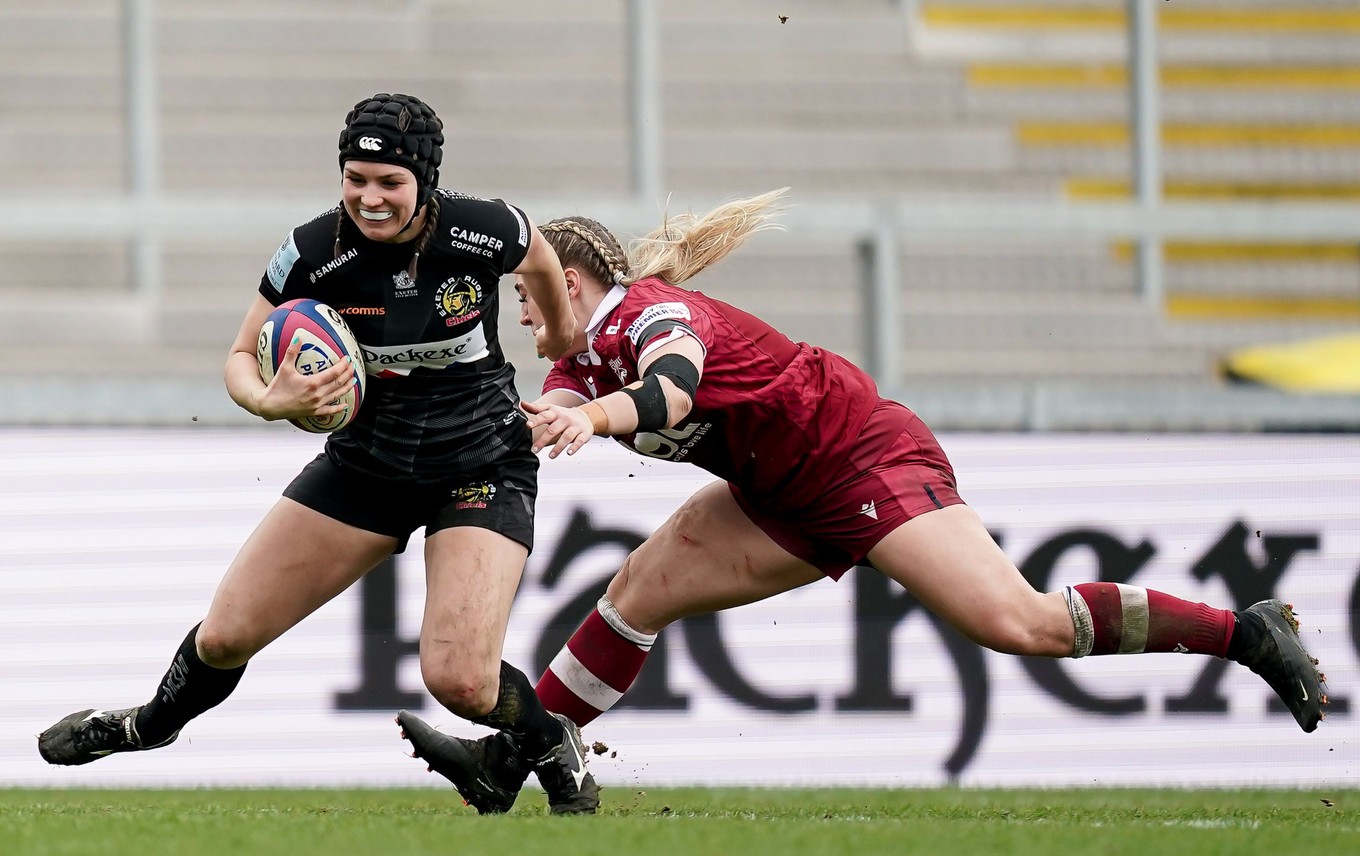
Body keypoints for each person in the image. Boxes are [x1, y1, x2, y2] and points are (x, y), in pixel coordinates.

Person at [394, 188, 1329, 814]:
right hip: (776, 487)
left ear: (571, 278)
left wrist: (596, 420)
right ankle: (510, 767)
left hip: (856, 458)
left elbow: (671, 390)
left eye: (527, 290)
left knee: (1021, 623)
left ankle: (1243, 633)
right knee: (637, 591)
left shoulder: (649, 313)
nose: (519, 309)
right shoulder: (577, 359)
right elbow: (538, 419)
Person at [36, 92, 601, 815]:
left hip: (481, 464)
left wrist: (556, 333)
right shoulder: (311, 251)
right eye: (355, 179)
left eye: (390, 183)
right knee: (226, 636)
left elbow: (543, 258)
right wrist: (272, 400)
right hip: (365, 467)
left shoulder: (483, 228)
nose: (370, 198)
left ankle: (553, 740)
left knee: (460, 681)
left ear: (425, 182)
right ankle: (148, 726)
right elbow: (243, 355)